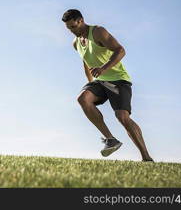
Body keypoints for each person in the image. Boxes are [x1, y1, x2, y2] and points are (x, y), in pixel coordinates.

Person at [62, 9, 153, 162]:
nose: (72, 31)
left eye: (74, 27)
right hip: (100, 81)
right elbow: (86, 61)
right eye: (69, 28)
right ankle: (110, 140)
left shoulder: (98, 32)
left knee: (122, 117)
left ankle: (146, 157)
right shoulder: (76, 43)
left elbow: (121, 50)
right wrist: (91, 83)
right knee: (83, 99)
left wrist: (103, 68)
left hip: (118, 79)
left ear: (81, 20)